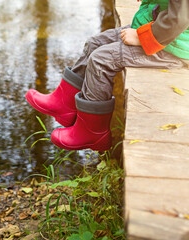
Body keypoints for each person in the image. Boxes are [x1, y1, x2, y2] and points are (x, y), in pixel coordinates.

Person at [25, 0, 189, 151]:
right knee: (94, 43)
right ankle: (64, 104)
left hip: (172, 47)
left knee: (101, 59)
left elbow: (179, 19)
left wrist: (142, 36)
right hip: (156, 28)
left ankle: (93, 132)